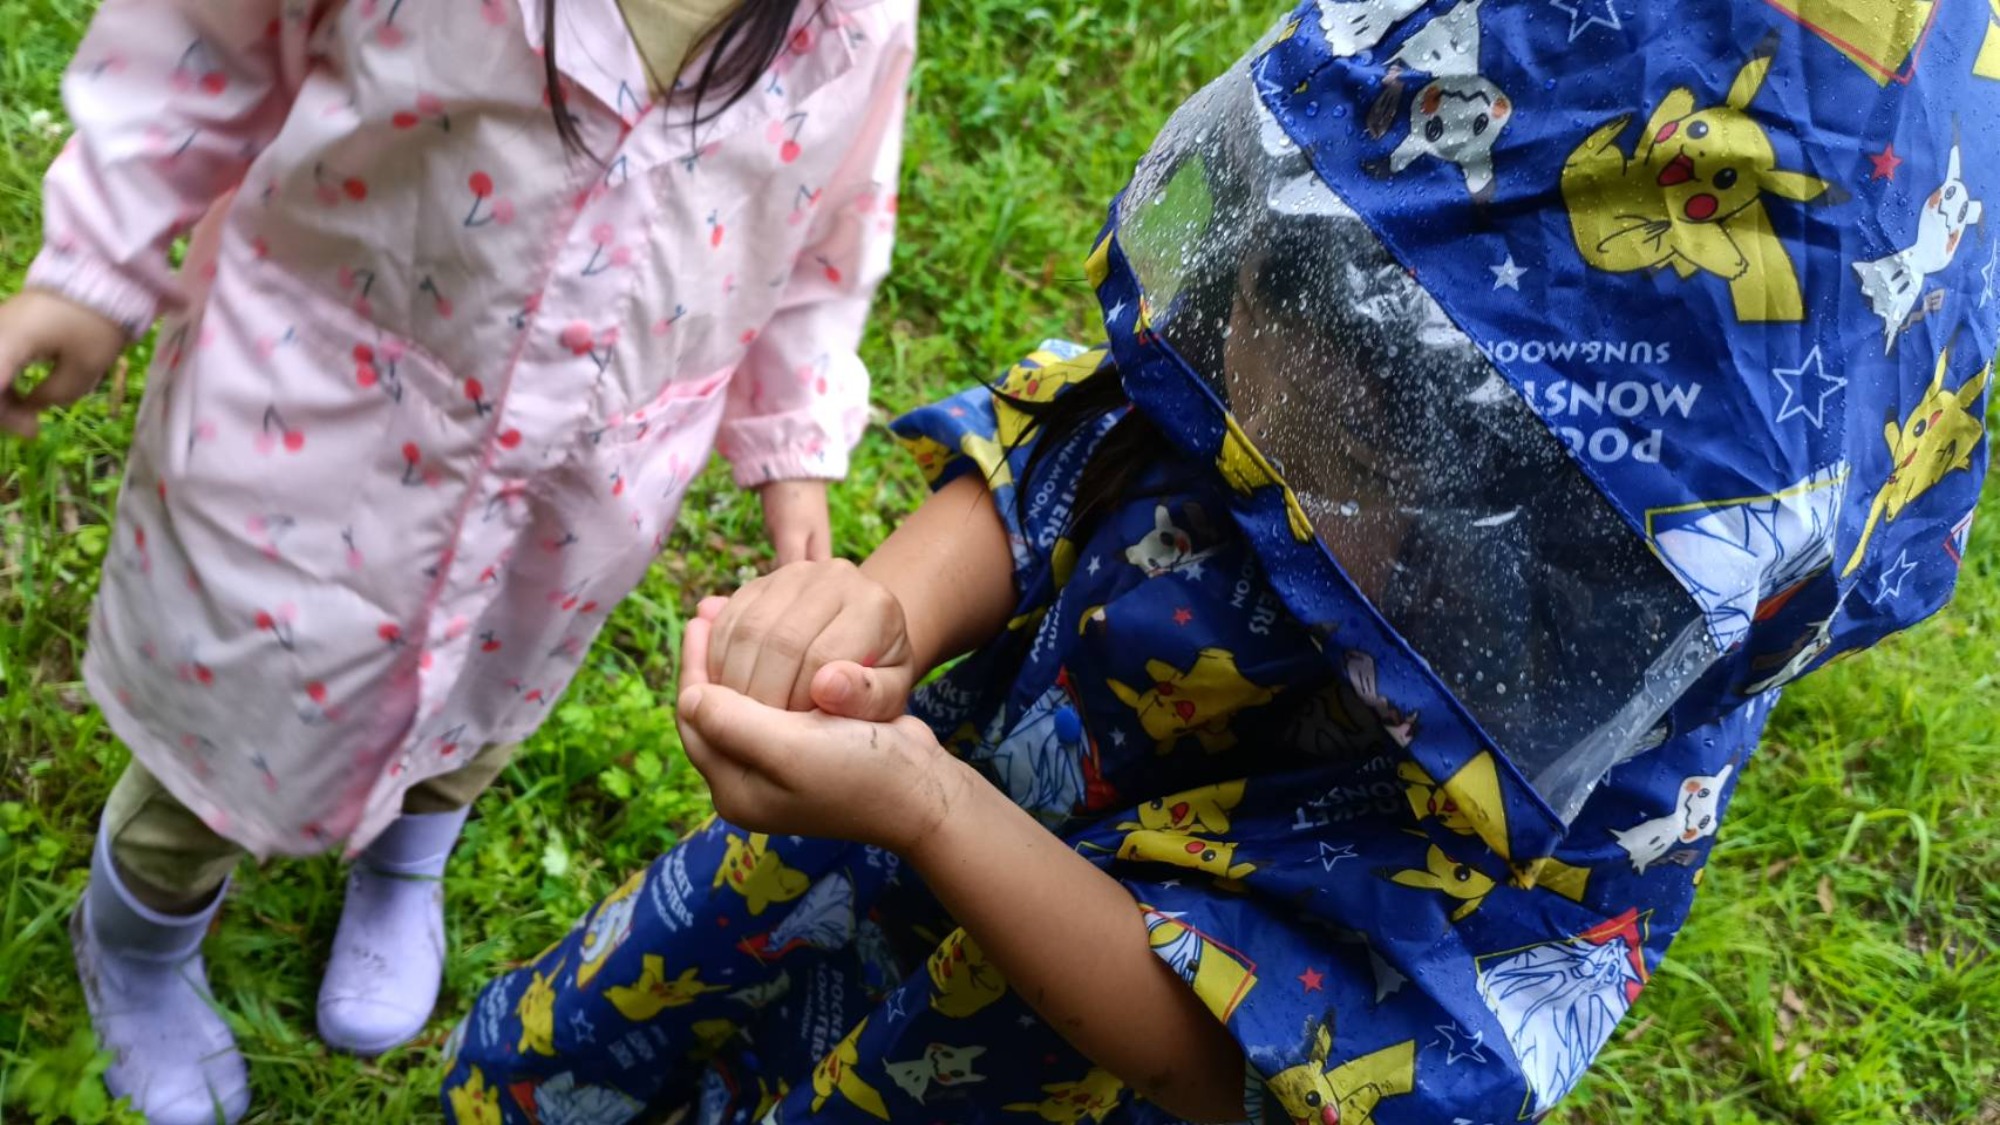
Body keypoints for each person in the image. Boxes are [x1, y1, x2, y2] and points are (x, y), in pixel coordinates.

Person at [446, 0, 1998, 1121]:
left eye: (1396, 416)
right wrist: (886, 607)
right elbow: (1083, 442)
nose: (1282, 389)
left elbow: (1230, 1050)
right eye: (1295, 285)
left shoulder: (1593, 798)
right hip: (833, 861)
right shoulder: (1296, 344)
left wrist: (929, 805)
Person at [0, 0, 914, 1118]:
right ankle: (138, 936)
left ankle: (407, 858)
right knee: (226, 720)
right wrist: (92, 268)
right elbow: (203, 42)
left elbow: (824, 233)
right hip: (311, 417)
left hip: (584, 483)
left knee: (491, 686)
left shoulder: (856, 19)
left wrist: (793, 442)